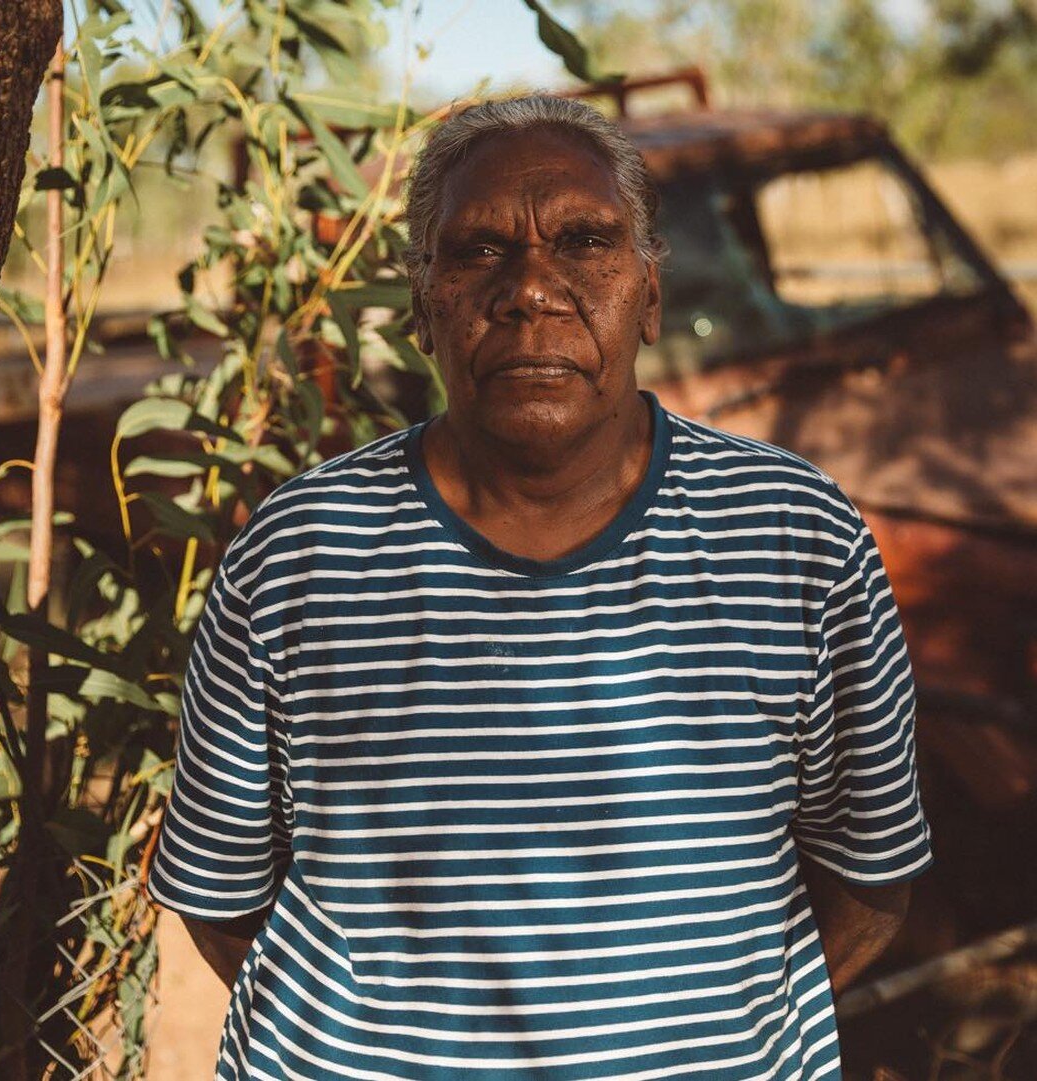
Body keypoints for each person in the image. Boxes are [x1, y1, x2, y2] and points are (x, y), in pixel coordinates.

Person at [147, 94, 933, 1080]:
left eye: (584, 242)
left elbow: (872, 876)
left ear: (648, 294)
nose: (531, 289)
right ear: (423, 300)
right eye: (478, 252)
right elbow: (220, 896)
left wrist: (709, 1036)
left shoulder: (792, 533)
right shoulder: (298, 553)